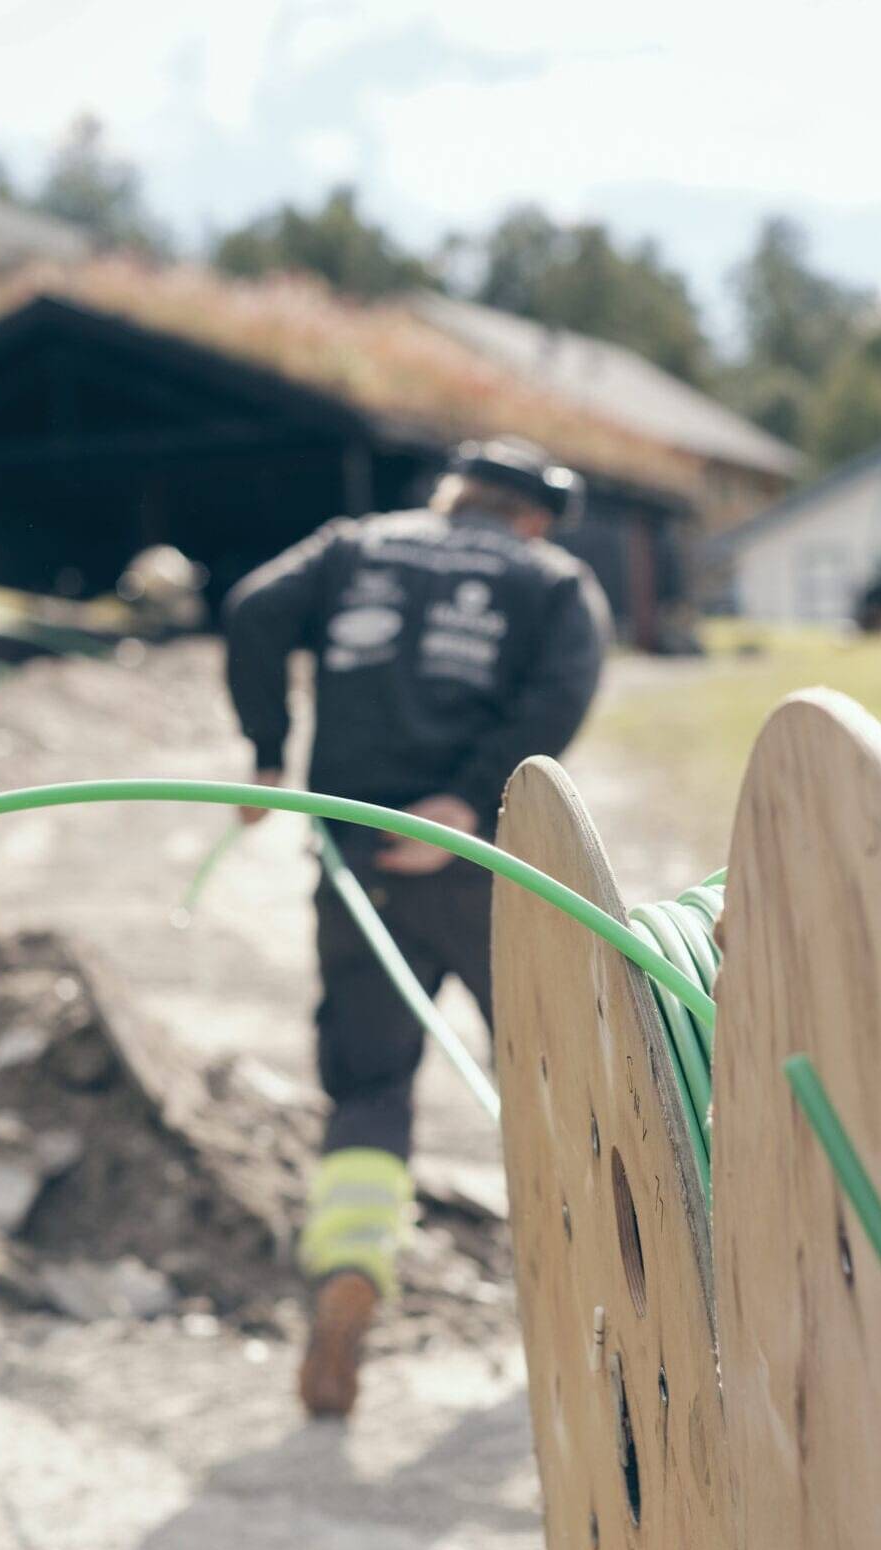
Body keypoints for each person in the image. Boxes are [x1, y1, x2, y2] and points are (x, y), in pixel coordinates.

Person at [224, 436, 610, 1417]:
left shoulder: (353, 547)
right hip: (487, 861)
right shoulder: (554, 579)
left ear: (452, 496)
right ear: (533, 517)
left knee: (369, 1083)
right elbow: (561, 692)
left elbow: (255, 610)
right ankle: (587, 1319)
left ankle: (349, 1265)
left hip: (358, 861)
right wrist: (465, 802)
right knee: (552, 1080)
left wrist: (268, 752)